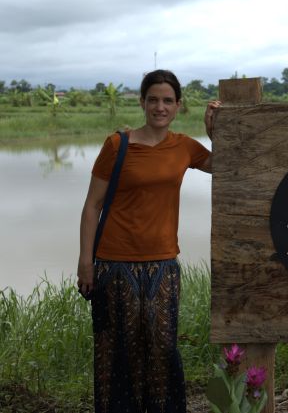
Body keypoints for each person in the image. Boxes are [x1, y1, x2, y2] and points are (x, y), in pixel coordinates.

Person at [77, 69, 220, 413]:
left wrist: (216, 132)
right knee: (118, 351)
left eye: (167, 101)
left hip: (163, 265)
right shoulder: (118, 145)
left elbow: (224, 166)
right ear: (142, 102)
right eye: (153, 99)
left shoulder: (184, 146)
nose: (160, 107)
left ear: (178, 106)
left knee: (162, 349)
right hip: (114, 264)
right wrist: (85, 262)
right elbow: (92, 205)